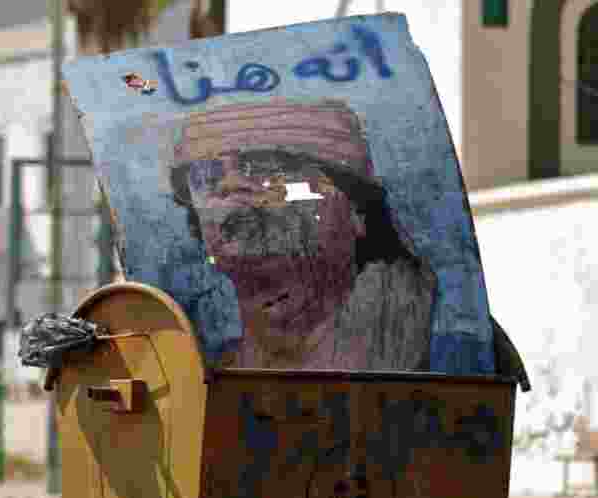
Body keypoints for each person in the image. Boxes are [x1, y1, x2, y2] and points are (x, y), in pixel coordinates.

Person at [170, 99, 437, 371]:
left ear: (356, 209)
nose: (231, 184)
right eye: (208, 175)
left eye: (268, 166)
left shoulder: (442, 354)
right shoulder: (195, 380)